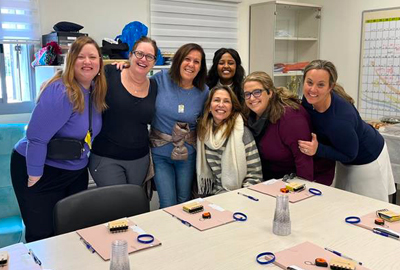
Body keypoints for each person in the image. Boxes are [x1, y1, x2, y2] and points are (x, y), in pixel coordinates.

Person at [11, 36, 107, 242]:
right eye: (81, 57)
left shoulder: (94, 91)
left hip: (74, 170)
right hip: (42, 169)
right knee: (42, 234)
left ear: (100, 63)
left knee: (71, 232)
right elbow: (35, 137)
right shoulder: (62, 91)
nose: (87, 61)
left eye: (92, 57)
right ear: (71, 61)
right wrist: (34, 177)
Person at [298, 60, 395, 202]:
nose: (312, 89)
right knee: (344, 203)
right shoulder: (309, 100)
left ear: (330, 87)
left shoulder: (340, 119)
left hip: (367, 157)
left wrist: (318, 149)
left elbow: (350, 154)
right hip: (345, 153)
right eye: (309, 82)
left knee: (369, 207)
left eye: (320, 85)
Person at [89, 37, 158, 189]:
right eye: (139, 54)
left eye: (149, 56)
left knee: (135, 208)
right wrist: (57, 80)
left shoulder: (154, 86)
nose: (143, 59)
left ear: (154, 62)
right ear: (130, 55)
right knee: (117, 207)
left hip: (140, 160)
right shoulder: (110, 73)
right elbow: (82, 77)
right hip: (106, 158)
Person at [150, 43, 209, 208]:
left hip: (187, 156)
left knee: (185, 202)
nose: (191, 64)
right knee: (168, 203)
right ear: (178, 61)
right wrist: (124, 67)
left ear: (200, 67)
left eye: (196, 62)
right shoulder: (160, 79)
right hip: (160, 154)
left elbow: (208, 121)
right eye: (187, 59)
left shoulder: (204, 91)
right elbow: (137, 84)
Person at [243, 71, 314, 181]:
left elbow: (303, 157)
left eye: (257, 92)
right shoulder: (249, 115)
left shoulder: (289, 116)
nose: (252, 98)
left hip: (294, 179)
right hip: (269, 179)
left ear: (270, 93)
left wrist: (302, 189)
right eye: (247, 94)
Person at [196, 86, 262, 195]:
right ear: (209, 107)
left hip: (239, 194)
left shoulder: (242, 132)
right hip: (212, 195)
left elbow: (255, 175)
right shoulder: (202, 132)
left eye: (226, 101)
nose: (221, 105)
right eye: (216, 100)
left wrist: (239, 198)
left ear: (232, 107)